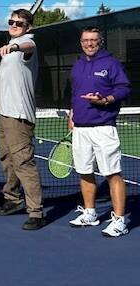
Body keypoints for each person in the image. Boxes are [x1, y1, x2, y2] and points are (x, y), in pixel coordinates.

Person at [67, 26, 131, 237]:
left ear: (100, 42)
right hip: (81, 129)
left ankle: (120, 220)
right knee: (84, 171)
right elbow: (75, 94)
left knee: (112, 173)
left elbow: (123, 88)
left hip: (104, 127)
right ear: (81, 42)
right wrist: (72, 114)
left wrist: (105, 100)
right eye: (86, 40)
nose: (89, 43)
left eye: (93, 40)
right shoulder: (77, 66)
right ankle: (90, 213)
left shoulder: (111, 63)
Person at [0, 8, 45, 230]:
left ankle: (36, 212)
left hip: (19, 116)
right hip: (5, 114)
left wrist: (14, 45)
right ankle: (12, 200)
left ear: (28, 27)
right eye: (11, 22)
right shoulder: (9, 48)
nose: (14, 25)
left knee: (24, 163)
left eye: (20, 23)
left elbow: (28, 47)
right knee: (7, 160)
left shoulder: (27, 44)